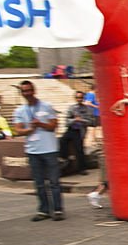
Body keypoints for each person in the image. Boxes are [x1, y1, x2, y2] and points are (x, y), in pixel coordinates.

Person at [13, 80, 64, 221]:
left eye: (29, 90)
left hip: (49, 149)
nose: (27, 93)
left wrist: (40, 123)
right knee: (39, 182)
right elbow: (17, 130)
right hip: (33, 150)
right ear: (21, 93)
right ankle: (44, 210)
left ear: (34, 90)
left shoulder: (46, 106)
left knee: (54, 181)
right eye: (24, 91)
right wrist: (28, 130)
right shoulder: (19, 111)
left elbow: (54, 126)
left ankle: (58, 209)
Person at [61, 91, 93, 175]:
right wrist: (74, 120)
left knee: (79, 149)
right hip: (71, 128)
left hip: (80, 130)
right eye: (78, 98)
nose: (79, 99)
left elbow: (91, 121)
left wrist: (81, 120)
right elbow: (67, 121)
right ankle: (64, 158)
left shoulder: (87, 109)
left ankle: (82, 168)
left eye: (81, 98)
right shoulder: (72, 108)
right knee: (62, 140)